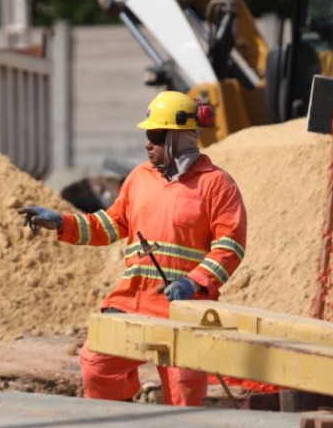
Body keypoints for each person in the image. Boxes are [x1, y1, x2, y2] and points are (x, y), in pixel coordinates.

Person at [18, 91, 247, 407]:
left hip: (184, 307)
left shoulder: (216, 184)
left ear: (178, 138)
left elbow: (230, 246)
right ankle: (119, 425)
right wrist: (62, 222)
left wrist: (193, 283)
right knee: (98, 363)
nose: (147, 143)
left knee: (183, 392)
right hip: (133, 300)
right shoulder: (139, 178)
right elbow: (108, 225)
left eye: (154, 135)